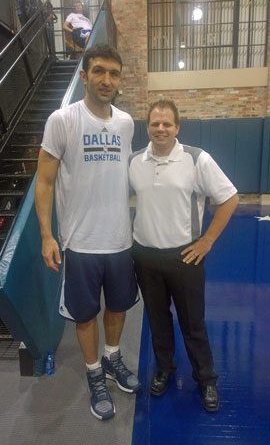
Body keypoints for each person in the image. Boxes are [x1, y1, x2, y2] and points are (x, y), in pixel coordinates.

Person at [35, 43, 141, 421]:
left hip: (120, 241)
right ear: (84, 75)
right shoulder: (62, 120)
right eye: (99, 71)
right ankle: (95, 372)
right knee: (85, 316)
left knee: (117, 307)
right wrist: (48, 236)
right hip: (79, 243)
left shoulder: (126, 123)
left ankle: (113, 359)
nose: (106, 80)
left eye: (113, 73)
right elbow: (44, 182)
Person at [129, 99, 239, 412]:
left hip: (185, 258)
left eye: (167, 123)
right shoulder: (135, 162)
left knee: (193, 323)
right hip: (145, 257)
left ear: (177, 127)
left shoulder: (196, 159)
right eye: (155, 123)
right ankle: (164, 369)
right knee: (158, 319)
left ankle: (206, 379)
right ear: (147, 127)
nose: (160, 128)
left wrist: (207, 241)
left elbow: (229, 198)